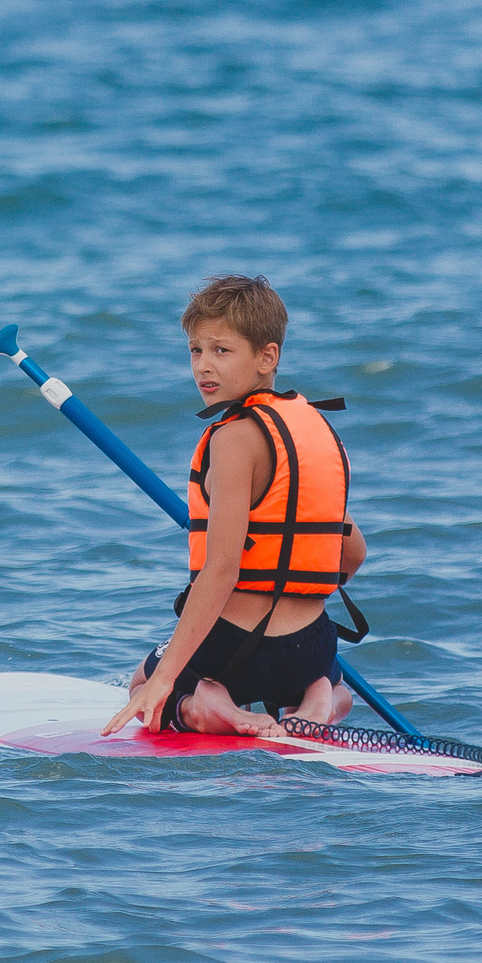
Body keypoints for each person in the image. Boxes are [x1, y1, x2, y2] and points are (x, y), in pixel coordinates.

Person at [103, 275, 364, 739]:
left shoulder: (233, 438)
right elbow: (353, 551)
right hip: (309, 648)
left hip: (234, 648)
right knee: (337, 683)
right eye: (195, 350)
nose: (203, 366)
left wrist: (163, 679)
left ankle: (208, 704)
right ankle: (320, 699)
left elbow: (221, 570)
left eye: (221, 351)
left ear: (267, 357)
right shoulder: (315, 431)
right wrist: (295, 586)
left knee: (142, 684)